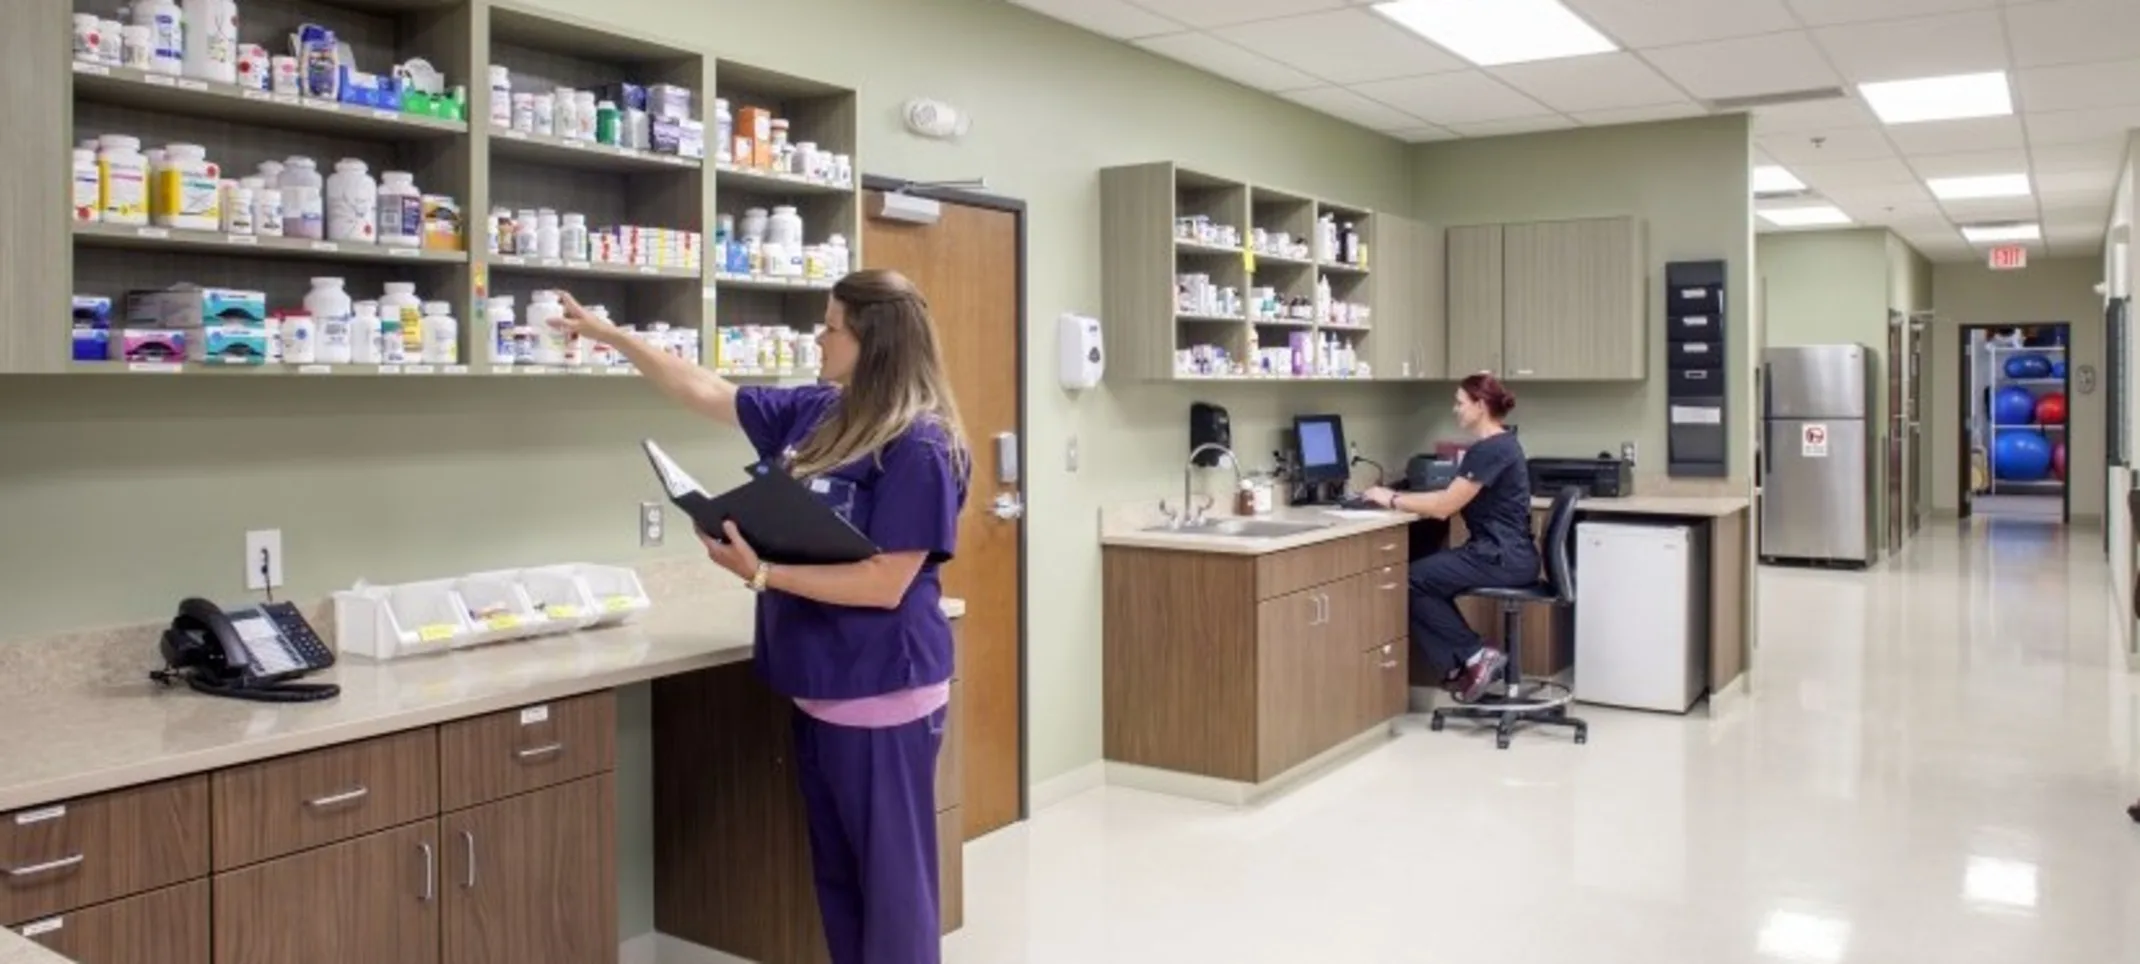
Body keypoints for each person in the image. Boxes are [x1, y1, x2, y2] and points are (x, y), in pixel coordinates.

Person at [548, 269, 970, 964]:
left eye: (831, 325)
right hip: (824, 692)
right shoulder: (817, 411)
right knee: (840, 884)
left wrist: (764, 572)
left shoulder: (917, 444)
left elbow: (884, 583)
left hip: (883, 696)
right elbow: (706, 390)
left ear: (873, 340)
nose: (819, 335)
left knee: (893, 895)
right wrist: (611, 336)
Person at [1358, 372, 1535, 703]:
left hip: (1500, 557)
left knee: (1410, 580)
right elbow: (1451, 497)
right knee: (1421, 577)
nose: (1456, 410)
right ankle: (1463, 665)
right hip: (1507, 554)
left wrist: (1391, 498)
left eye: (1460, 403)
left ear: (1480, 405)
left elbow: (1443, 507)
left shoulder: (1490, 450)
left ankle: (1473, 655)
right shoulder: (1503, 443)